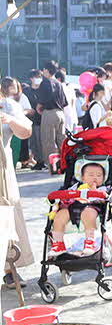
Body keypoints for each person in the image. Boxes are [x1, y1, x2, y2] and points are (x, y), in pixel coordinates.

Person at [1, 77, 35, 288]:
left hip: (2, 171)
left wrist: (9, 120)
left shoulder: (8, 105)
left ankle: (9, 269)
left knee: (6, 217)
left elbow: (25, 132)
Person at [47, 161, 110, 257]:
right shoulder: (76, 186)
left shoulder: (102, 189)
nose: (95, 178)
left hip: (92, 208)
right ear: (83, 178)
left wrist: (96, 193)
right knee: (60, 215)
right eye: (91, 175)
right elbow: (66, 194)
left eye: (99, 175)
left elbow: (105, 198)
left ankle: (90, 242)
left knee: (88, 213)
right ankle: (58, 243)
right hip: (73, 207)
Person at [35, 60, 68, 168]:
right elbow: (64, 102)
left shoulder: (45, 82)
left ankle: (53, 166)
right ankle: (65, 164)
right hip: (60, 113)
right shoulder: (59, 83)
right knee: (61, 140)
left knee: (48, 140)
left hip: (49, 112)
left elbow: (43, 99)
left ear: (46, 70)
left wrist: (39, 107)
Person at [22, 70, 44, 169]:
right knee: (33, 142)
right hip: (30, 119)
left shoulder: (43, 89)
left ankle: (42, 161)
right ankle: (38, 160)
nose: (39, 78)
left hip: (41, 119)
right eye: (37, 76)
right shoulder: (27, 91)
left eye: (40, 76)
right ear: (31, 79)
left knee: (40, 141)